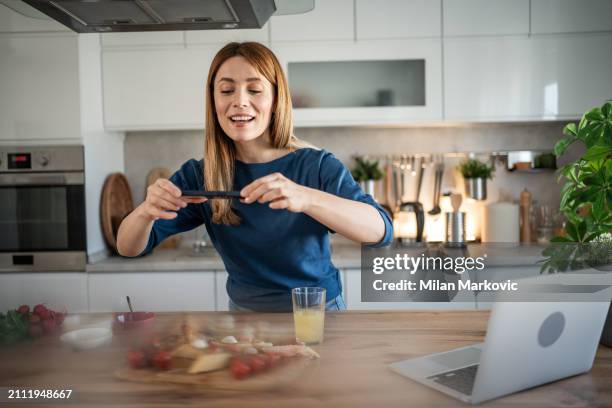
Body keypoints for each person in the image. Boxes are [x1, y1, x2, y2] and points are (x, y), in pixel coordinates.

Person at [116, 42, 393, 312]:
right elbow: (128, 248)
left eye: (254, 89)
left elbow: (381, 231)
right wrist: (145, 212)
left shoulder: (317, 165)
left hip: (317, 313)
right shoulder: (199, 174)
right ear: (213, 102)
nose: (239, 101)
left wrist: (306, 197)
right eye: (226, 90)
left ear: (275, 100)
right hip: (244, 317)